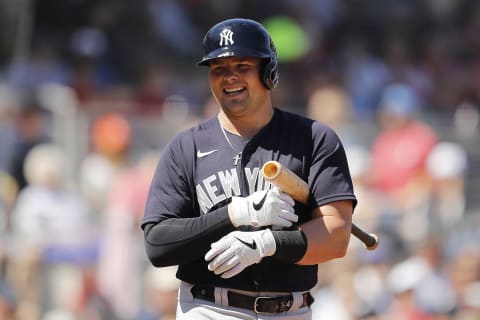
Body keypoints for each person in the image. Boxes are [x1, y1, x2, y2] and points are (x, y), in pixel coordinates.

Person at [142, 18, 357, 320]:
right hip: (209, 308)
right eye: (219, 69)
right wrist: (235, 215)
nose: (229, 77)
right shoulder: (186, 147)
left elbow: (336, 236)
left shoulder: (314, 139)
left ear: (268, 73)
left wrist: (266, 243)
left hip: (289, 310)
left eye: (242, 67)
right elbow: (158, 243)